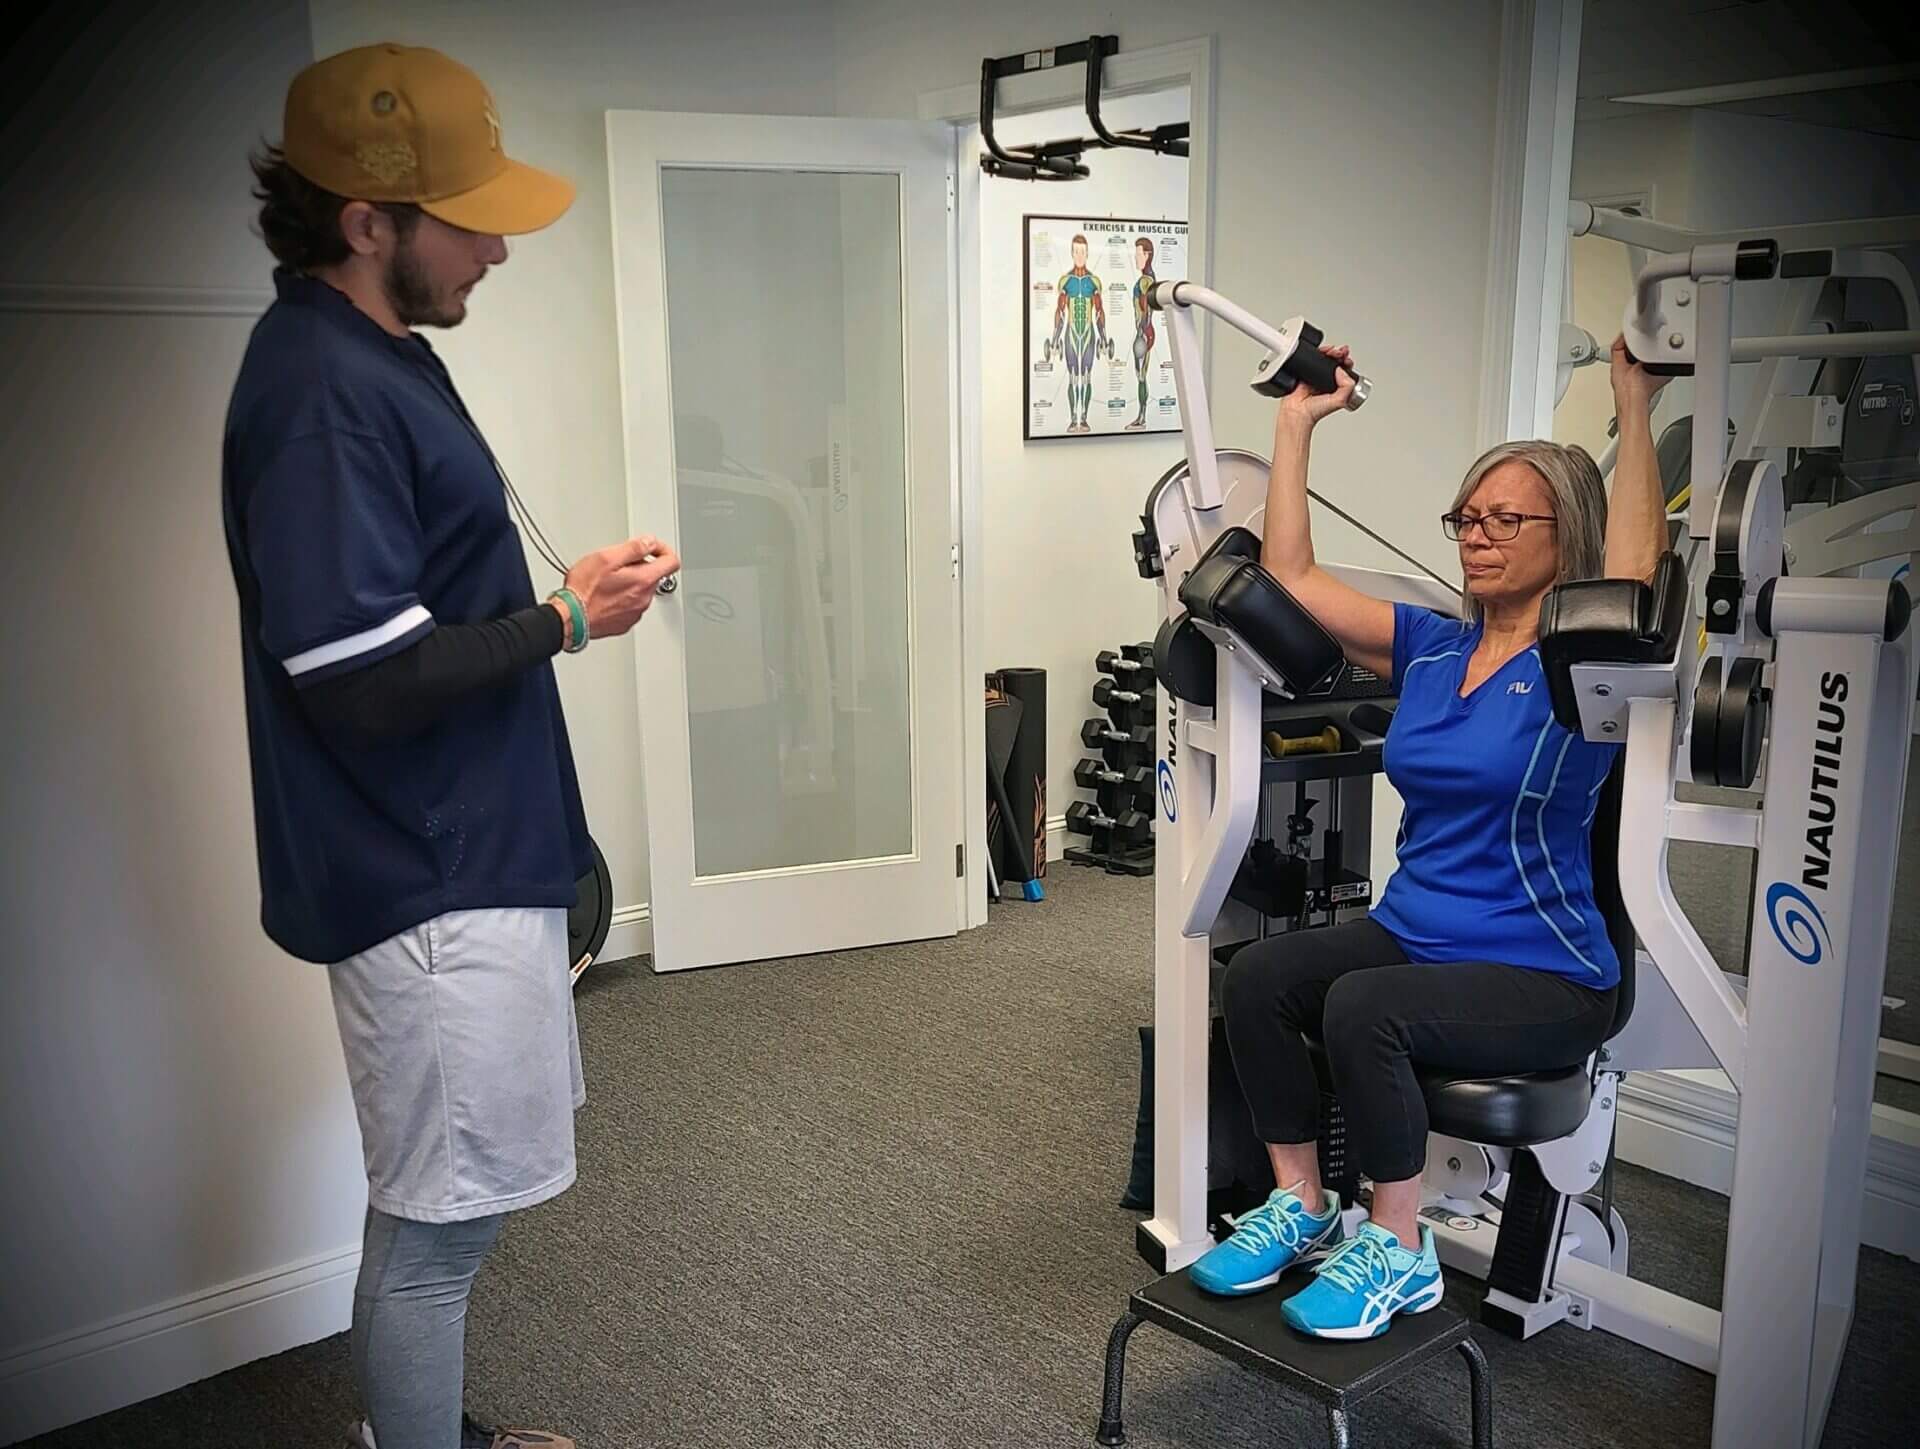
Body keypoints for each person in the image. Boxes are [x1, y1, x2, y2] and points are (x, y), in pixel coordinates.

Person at [220, 43, 680, 1449]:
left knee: (425, 1203)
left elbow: (417, 606)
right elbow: (355, 682)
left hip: (460, 854)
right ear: (368, 222)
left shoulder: (377, 353)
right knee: (443, 1232)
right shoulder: (317, 388)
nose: (496, 246)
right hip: (426, 879)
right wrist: (564, 621)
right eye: (467, 219)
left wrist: (558, 598)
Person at [1188, 334, 1668, 1340]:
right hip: (1420, 932)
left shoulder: (1586, 666)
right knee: (1258, 979)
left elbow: (1635, 572)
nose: (1477, 535)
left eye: (1506, 519)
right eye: (1467, 517)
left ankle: (1398, 1248)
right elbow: (1294, 580)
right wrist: (1295, 421)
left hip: (1545, 968)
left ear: (1564, 535)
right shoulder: (1436, 643)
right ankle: (1303, 1204)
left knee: (1368, 1009)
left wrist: (1635, 402)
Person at [1050, 234, 1108, 433]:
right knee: (1073, 377)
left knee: (1087, 377)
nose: (1080, 255)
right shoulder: (1066, 281)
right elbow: (1059, 311)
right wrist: (1055, 338)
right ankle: (1073, 417)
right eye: (1076, 251)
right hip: (1071, 334)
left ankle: (1084, 418)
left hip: (1089, 334)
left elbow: (1100, 311)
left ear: (1088, 253)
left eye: (1083, 251)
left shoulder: (1094, 282)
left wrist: (1104, 338)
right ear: (1072, 253)